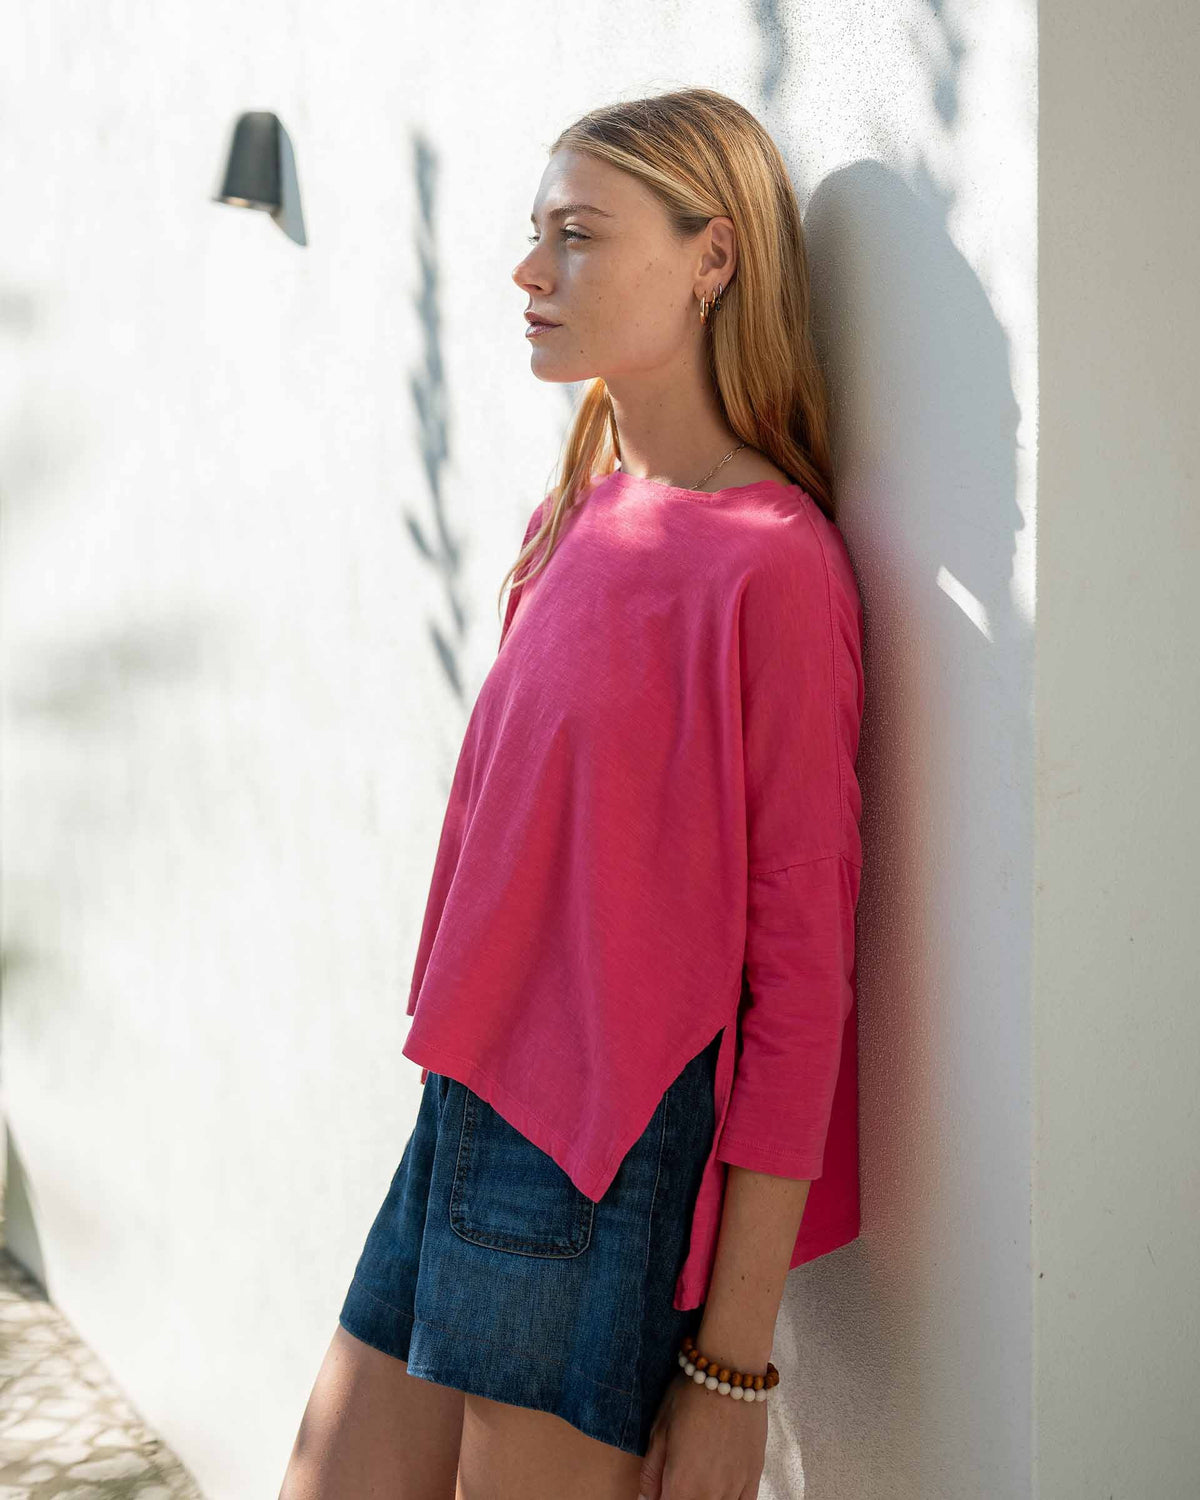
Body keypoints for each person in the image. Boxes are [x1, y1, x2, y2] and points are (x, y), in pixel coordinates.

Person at [280, 85, 865, 1500]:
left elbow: (801, 981)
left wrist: (731, 1370)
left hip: (600, 1171)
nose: (532, 272)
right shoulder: (577, 517)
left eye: (579, 236)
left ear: (712, 256)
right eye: (536, 234)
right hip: (466, 1122)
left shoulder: (772, 567)